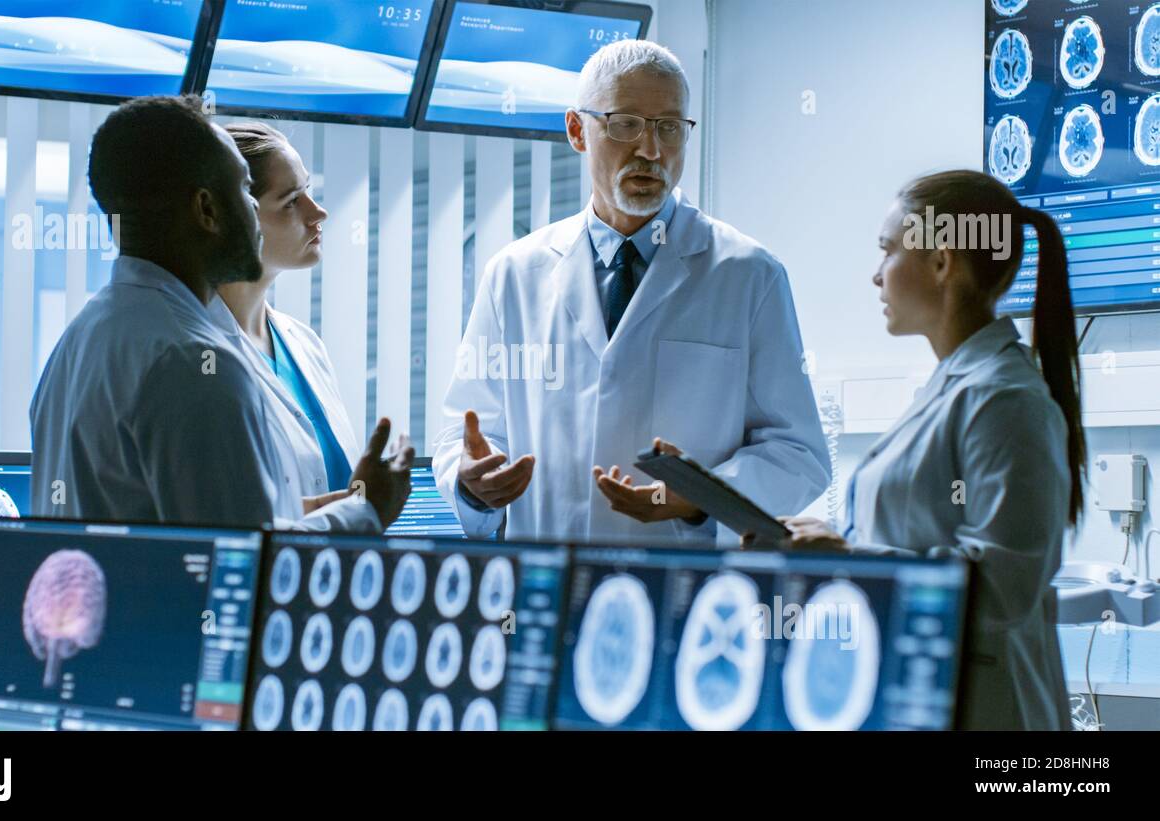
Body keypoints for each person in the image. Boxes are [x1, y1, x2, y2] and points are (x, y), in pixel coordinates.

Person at [432, 40, 829, 544]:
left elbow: (799, 454)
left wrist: (700, 498)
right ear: (577, 130)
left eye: (669, 127)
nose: (650, 150)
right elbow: (466, 433)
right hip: (550, 583)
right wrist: (471, 484)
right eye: (625, 124)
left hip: (683, 592)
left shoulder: (747, 274)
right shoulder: (514, 274)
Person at [743, 169, 1083, 730]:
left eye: (888, 251)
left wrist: (852, 560)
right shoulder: (956, 389)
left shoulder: (1005, 400)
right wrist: (819, 556)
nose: (877, 276)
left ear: (942, 262)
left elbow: (1003, 587)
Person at [29, 95, 411, 531]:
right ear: (207, 210)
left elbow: (189, 518)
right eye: (244, 189)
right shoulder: (193, 361)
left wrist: (315, 508)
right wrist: (367, 511)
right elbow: (241, 563)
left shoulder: (79, 341)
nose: (251, 208)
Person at [206, 121, 356, 502]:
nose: (317, 212)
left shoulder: (304, 344)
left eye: (309, 190)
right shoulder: (196, 354)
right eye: (292, 201)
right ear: (238, 216)